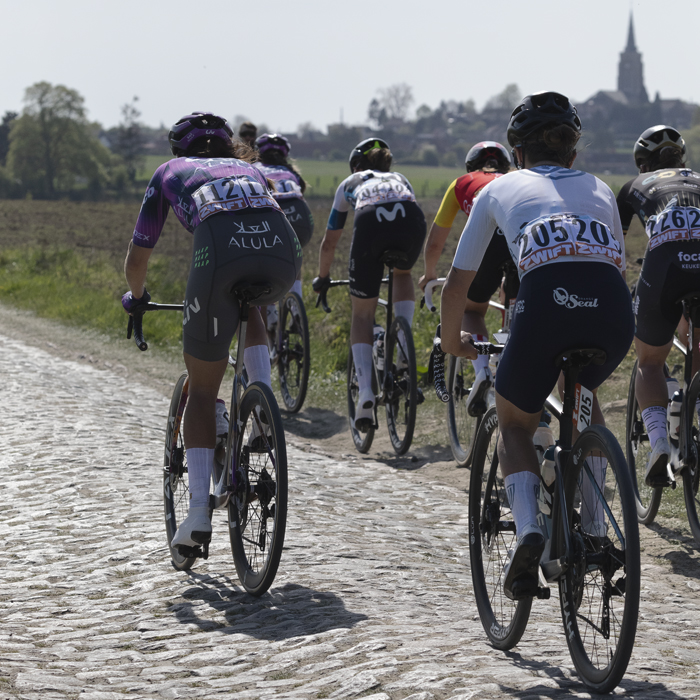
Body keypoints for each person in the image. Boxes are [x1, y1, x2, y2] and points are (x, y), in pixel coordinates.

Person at [440, 92, 633, 599]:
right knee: (584, 402)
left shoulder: (499, 188)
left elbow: (458, 283)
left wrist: (450, 340)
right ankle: (594, 528)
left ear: (516, 152)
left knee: (515, 423)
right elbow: (617, 264)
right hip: (612, 311)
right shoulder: (600, 188)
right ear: (573, 153)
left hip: (546, 304)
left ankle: (528, 527)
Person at [122, 112, 301, 550]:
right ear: (226, 147)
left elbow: (140, 252)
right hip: (283, 254)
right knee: (252, 304)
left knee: (202, 392)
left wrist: (136, 296)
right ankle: (262, 404)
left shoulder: (169, 171)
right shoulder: (252, 168)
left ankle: (198, 513)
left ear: (179, 149)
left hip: (220, 254)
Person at [313, 138, 426, 430]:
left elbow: (330, 243)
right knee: (402, 273)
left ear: (356, 165)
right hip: (410, 220)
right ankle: (404, 352)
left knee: (362, 314)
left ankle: (365, 392)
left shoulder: (349, 183)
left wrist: (322, 278)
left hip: (370, 223)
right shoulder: (401, 178)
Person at [616, 125, 700, 484]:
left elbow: (615, 251)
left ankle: (660, 443)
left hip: (665, 260)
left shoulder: (634, 186)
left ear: (642, 164)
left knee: (649, 362)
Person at [419, 141, 512, 413]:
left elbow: (436, 241)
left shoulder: (462, 182)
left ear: (471, 166)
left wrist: (429, 273)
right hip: (520, 241)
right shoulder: (516, 180)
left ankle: (482, 369)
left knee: (472, 309)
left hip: (488, 244)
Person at [254, 133, 314, 335]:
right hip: (301, 216)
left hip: (273, 213)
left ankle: (269, 310)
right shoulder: (291, 173)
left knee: (263, 261)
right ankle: (296, 303)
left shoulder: (254, 169)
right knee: (294, 253)